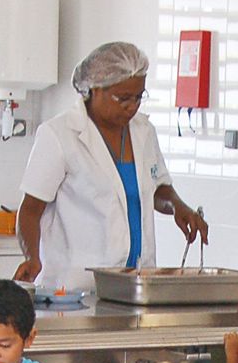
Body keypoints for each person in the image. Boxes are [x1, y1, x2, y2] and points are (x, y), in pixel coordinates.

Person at [14, 41, 209, 290]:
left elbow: (156, 187)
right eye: (123, 98)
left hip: (137, 283)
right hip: (75, 286)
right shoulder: (59, 135)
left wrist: (178, 206)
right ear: (95, 88)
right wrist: (32, 257)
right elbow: (30, 209)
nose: (132, 106)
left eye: (139, 97)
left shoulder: (144, 131)